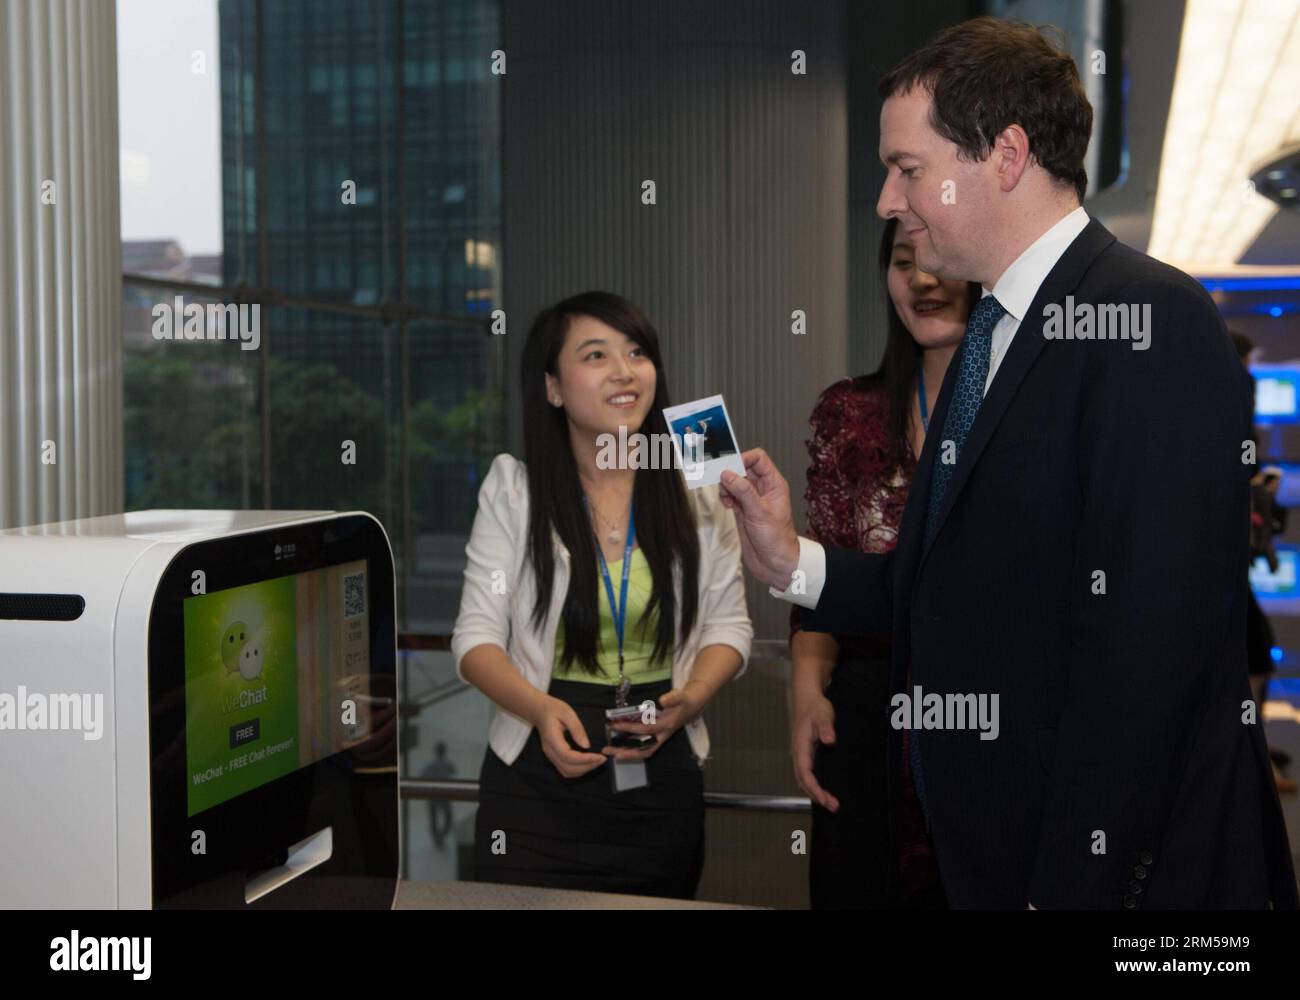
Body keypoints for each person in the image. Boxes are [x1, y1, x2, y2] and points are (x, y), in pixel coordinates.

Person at [719, 17, 1297, 909]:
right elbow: (952, 585)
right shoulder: (990, 336)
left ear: (1006, 153)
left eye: (907, 168)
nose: (886, 200)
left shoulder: (1152, 322)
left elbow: (1147, 664)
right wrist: (790, 561)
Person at [452, 290, 752, 898]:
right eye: (596, 354)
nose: (624, 370)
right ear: (554, 388)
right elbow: (474, 639)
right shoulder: (514, 487)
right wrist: (537, 710)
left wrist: (693, 698)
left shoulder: (700, 460)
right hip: (537, 768)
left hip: (661, 762)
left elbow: (731, 626)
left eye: (637, 352)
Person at [791, 216, 975, 908]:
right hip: (865, 720)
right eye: (903, 261)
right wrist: (806, 696)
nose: (923, 280)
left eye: (941, 259)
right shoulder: (849, 413)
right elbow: (821, 577)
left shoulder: (1022, 412)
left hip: (985, 717)